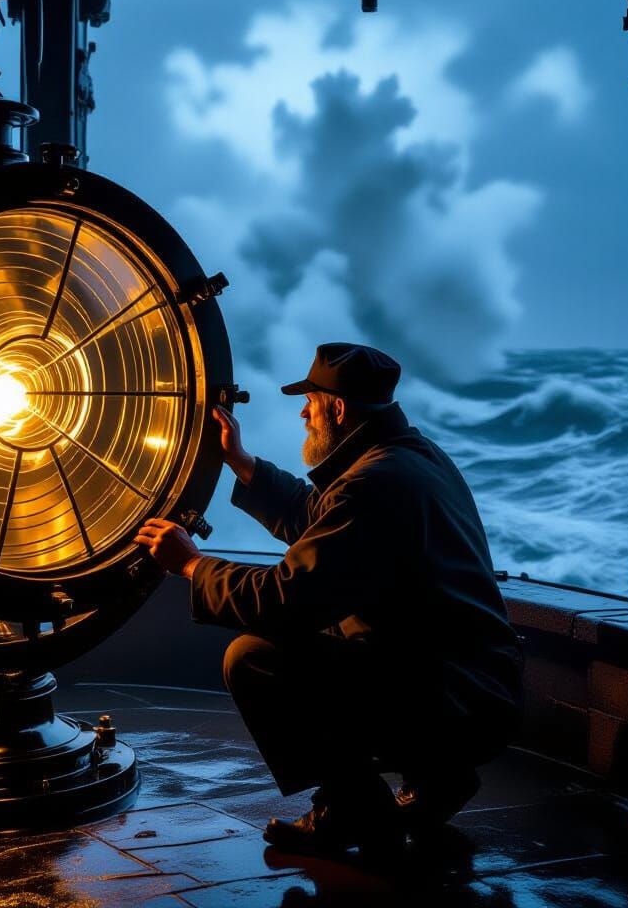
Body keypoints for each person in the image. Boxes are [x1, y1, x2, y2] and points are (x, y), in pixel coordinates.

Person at [134, 342, 523, 858]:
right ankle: (440, 780)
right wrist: (242, 462)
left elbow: (285, 598)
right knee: (350, 642)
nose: (303, 413)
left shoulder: (375, 483)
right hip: (477, 689)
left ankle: (351, 809)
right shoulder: (412, 458)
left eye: (311, 402)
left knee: (253, 659)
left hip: (453, 703)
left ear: (338, 409)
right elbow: (325, 516)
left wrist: (191, 565)